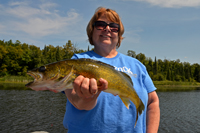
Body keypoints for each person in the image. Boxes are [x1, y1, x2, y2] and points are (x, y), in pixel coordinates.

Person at [63, 7, 160, 133]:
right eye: (100, 25)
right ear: (91, 31)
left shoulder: (137, 65)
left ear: (119, 35)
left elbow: (153, 101)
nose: (107, 29)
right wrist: (86, 98)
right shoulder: (77, 61)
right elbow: (77, 102)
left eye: (114, 27)